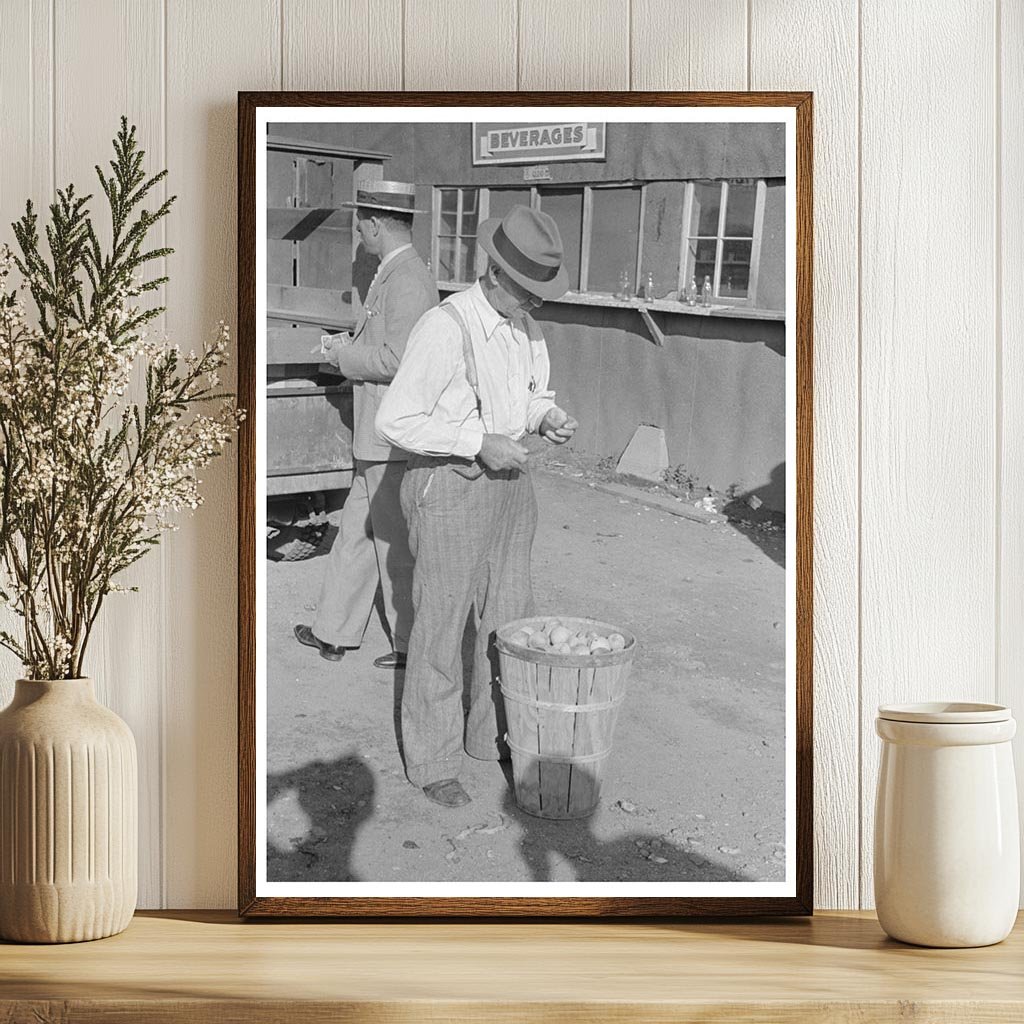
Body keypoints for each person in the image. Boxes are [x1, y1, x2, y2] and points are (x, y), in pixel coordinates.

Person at [375, 205, 578, 807]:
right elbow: (395, 420)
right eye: (527, 290)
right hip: (449, 484)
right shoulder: (445, 327)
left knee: (509, 620)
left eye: (540, 293)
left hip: (512, 487)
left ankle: (491, 737)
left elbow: (530, 396)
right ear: (493, 273)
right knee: (440, 626)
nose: (535, 303)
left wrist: (547, 416)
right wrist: (475, 442)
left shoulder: (526, 327)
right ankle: (433, 760)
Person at [294, 180, 438, 669]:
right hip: (376, 436)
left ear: (376, 224)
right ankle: (333, 632)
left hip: (391, 434)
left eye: (361, 224)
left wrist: (344, 358)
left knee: (394, 541)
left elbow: (399, 359)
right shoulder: (394, 272)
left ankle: (412, 644)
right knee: (356, 531)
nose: (359, 232)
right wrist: (349, 344)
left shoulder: (408, 280)